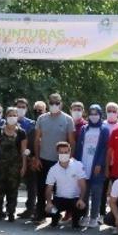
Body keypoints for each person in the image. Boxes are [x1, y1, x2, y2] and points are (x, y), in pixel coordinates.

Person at [30, 93, 75, 221]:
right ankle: (40, 214)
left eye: (57, 103)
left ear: (61, 103)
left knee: (58, 190)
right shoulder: (42, 118)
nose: (54, 105)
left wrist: (69, 160)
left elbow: (72, 142)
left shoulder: (67, 119)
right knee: (41, 188)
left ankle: (55, 215)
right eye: (52, 103)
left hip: (60, 161)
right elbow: (37, 140)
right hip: (43, 159)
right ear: (48, 103)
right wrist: (37, 158)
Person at [73, 104, 110, 228]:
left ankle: (94, 217)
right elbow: (79, 146)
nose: (94, 116)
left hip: (96, 166)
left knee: (96, 192)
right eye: (92, 113)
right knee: (84, 191)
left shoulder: (104, 129)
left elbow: (104, 148)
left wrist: (100, 163)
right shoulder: (84, 128)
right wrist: (77, 163)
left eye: (96, 114)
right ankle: (85, 215)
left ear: (100, 115)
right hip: (84, 164)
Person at [0, 107, 27, 221]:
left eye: (14, 115)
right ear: (6, 116)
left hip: (15, 167)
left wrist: (24, 166)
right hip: (0, 165)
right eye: (10, 115)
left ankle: (11, 213)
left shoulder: (21, 132)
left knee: (13, 190)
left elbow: (24, 151)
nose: (12, 117)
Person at [44, 141, 87, 229]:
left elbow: (83, 185)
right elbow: (49, 188)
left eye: (66, 152)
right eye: (61, 152)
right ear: (57, 153)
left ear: (69, 152)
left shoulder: (78, 165)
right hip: (60, 199)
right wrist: (48, 202)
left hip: (74, 199)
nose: (64, 154)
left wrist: (81, 199)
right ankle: (56, 217)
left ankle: (75, 221)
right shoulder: (53, 169)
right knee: (47, 210)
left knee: (82, 208)